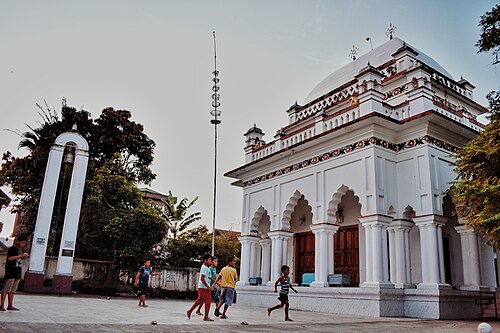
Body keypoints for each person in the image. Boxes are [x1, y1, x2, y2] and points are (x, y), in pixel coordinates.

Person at [1, 234, 29, 311]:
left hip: (17, 272)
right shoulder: (12, 249)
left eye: (25, 243)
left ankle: (10, 305)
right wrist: (20, 256)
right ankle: (1, 305)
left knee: (12, 290)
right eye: (22, 243)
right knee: (6, 289)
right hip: (11, 272)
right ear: (17, 241)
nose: (23, 245)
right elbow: (10, 258)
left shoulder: (20, 250)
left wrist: (23, 256)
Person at [187, 254, 214, 321]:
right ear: (205, 260)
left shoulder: (206, 267)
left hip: (203, 287)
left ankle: (190, 311)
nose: (211, 261)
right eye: (209, 260)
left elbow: (207, 278)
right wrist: (207, 286)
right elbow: (202, 278)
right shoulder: (204, 268)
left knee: (200, 300)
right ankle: (206, 317)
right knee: (208, 301)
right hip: (204, 287)